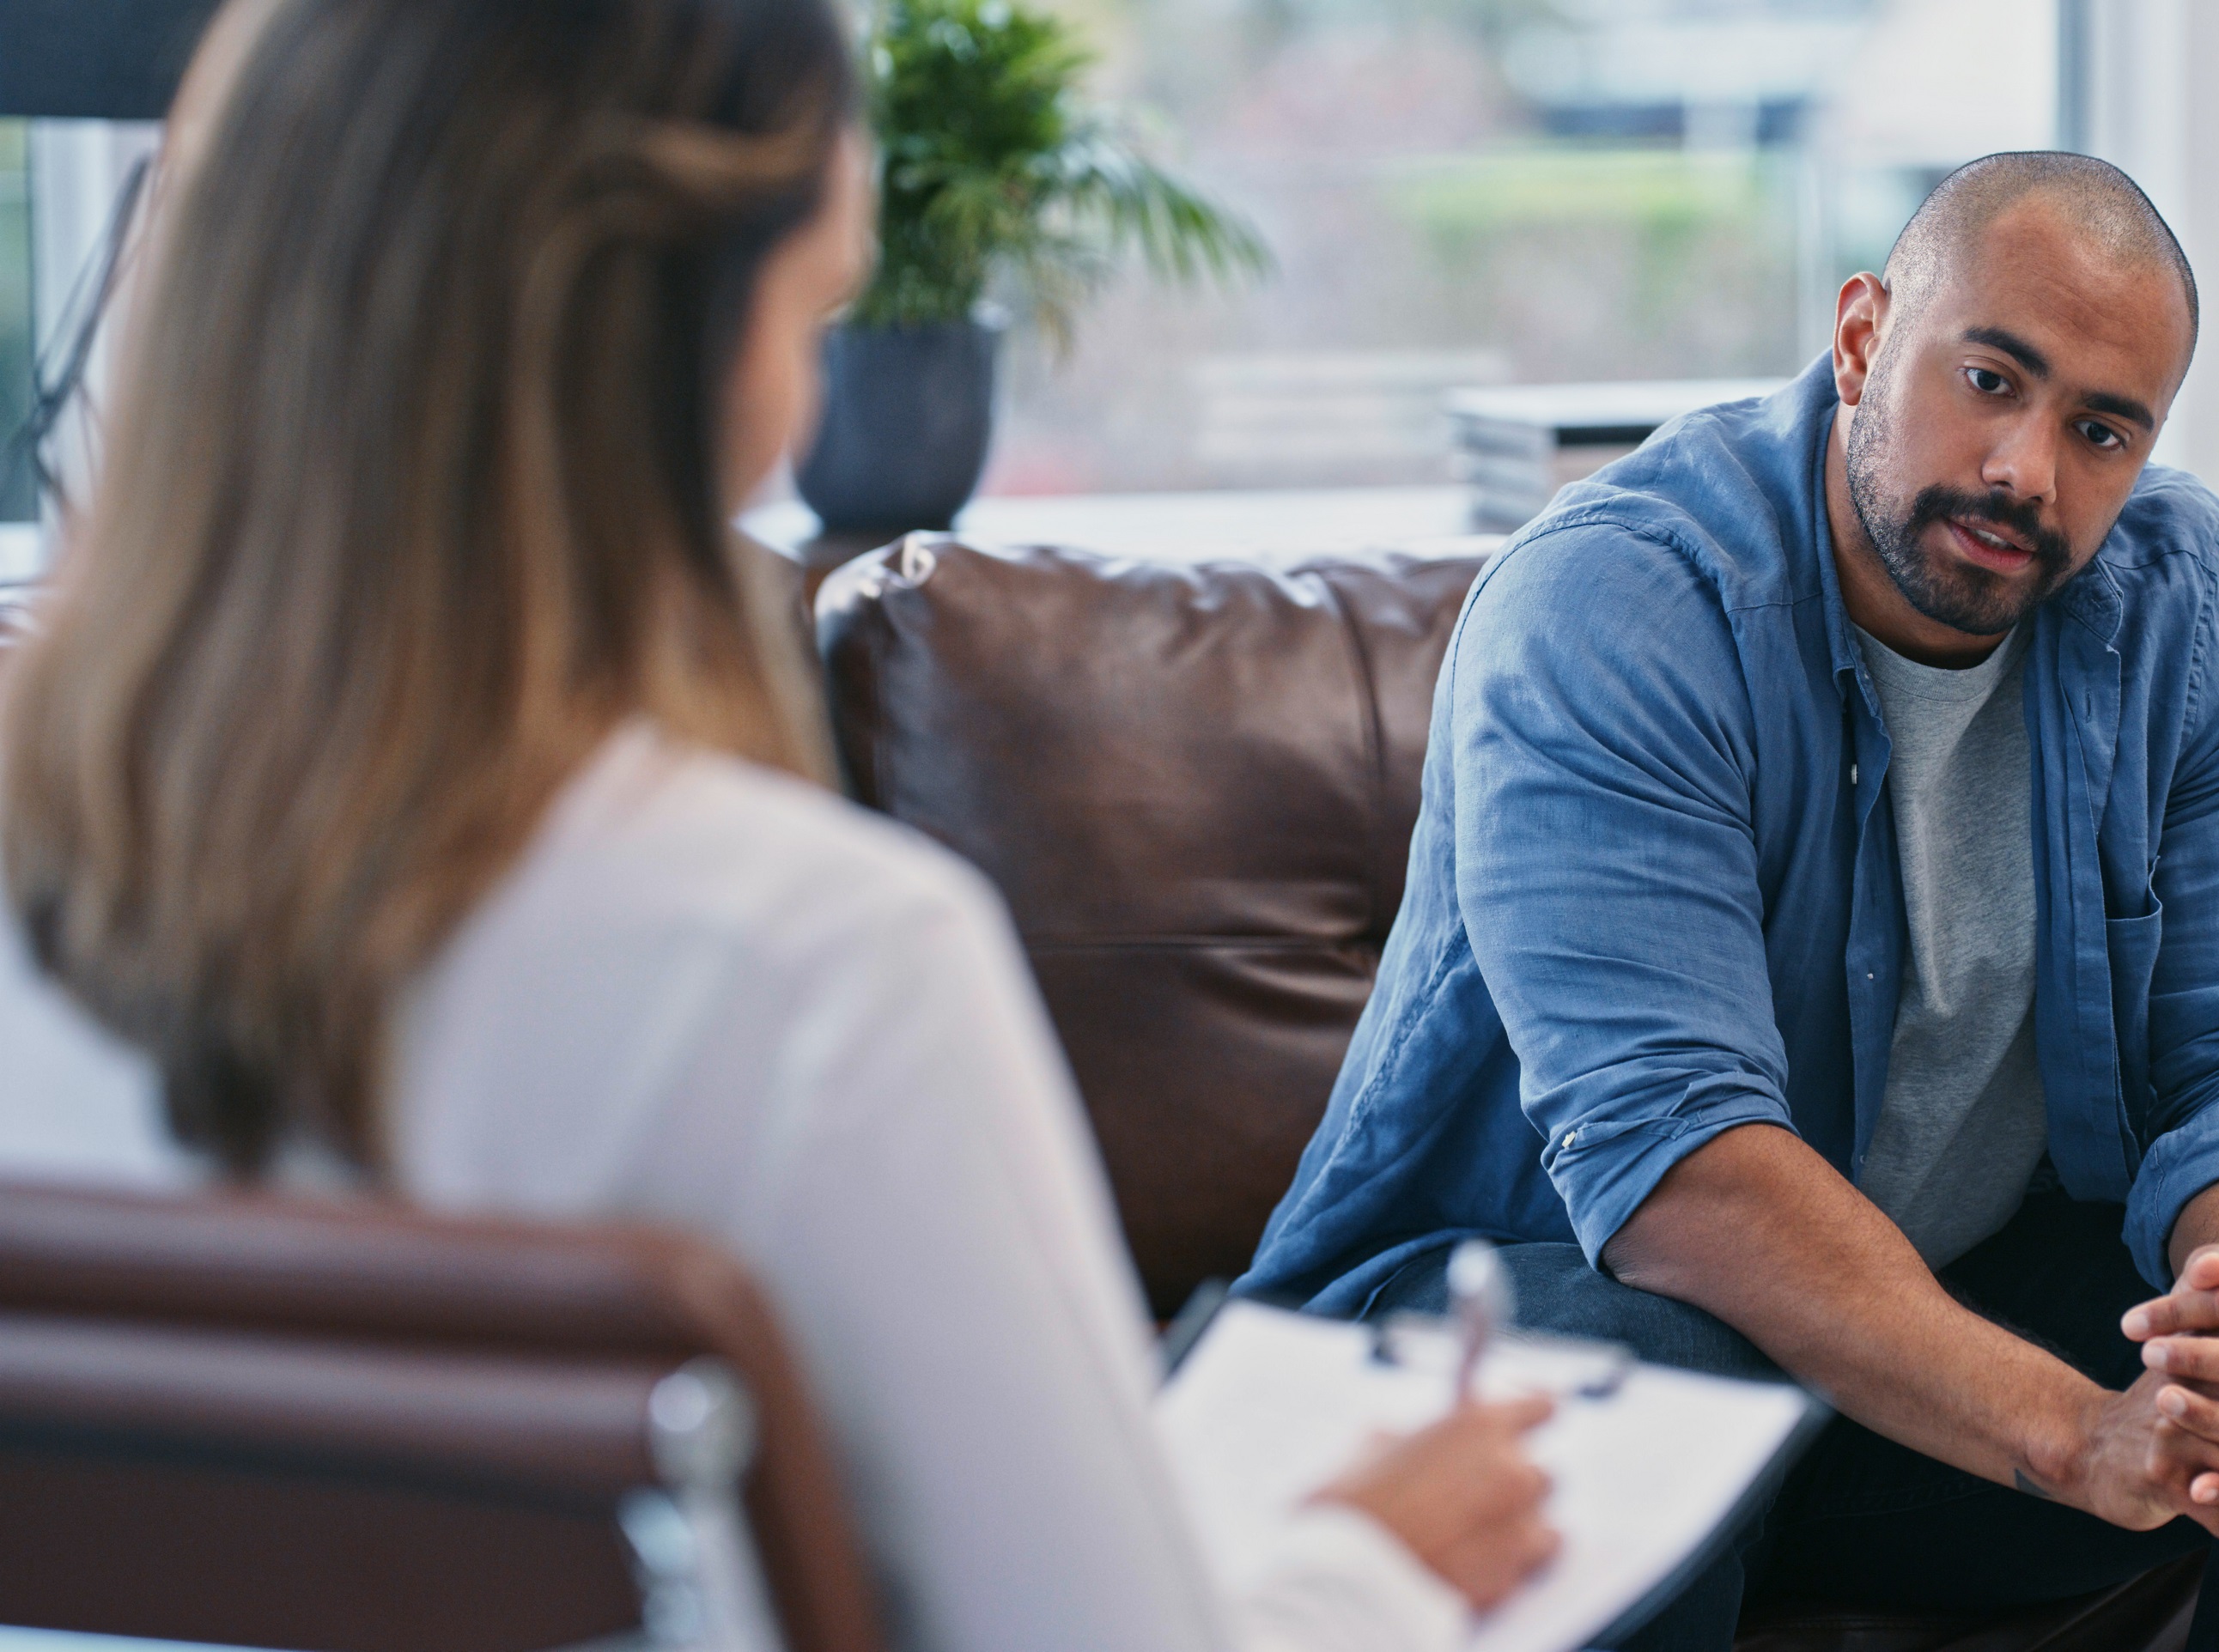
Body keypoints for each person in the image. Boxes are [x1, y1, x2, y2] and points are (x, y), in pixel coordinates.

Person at [0, 3, 1558, 1649]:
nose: (801, 406)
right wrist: (1365, 1565)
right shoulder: (817, 968)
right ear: (669, 353)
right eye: (814, 318)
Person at [1242, 151, 2219, 1650]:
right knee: (1635, 1365)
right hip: (1514, 1346)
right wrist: (2073, 1431)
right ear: (1860, 338)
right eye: (1990, 378)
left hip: (1914, 1372)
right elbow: (1683, 1173)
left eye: (2101, 430)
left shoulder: (2196, 612)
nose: (2027, 472)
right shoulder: (1617, 605)